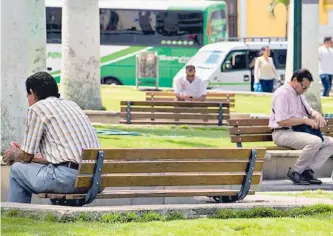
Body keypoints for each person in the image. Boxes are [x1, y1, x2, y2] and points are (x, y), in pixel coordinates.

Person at [3, 72, 100, 203]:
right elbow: (62, 158)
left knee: (17, 170)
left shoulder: (37, 109)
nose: (28, 101)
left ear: (32, 92)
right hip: (93, 179)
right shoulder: (72, 105)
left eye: (28, 96)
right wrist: (26, 153)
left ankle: (16, 214)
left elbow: (26, 157)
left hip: (66, 179)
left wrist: (15, 155)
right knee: (50, 172)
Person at [269, 68, 333, 185]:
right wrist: (304, 120)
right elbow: (281, 121)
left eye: (307, 88)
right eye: (304, 87)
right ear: (294, 80)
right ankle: (295, 172)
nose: (305, 90)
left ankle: (307, 172)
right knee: (315, 141)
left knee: (330, 143)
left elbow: (309, 110)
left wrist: (316, 115)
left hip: (297, 131)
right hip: (282, 133)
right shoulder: (282, 94)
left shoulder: (298, 93)